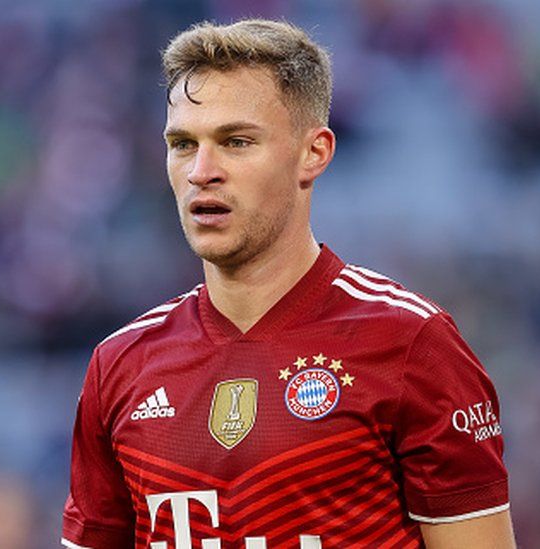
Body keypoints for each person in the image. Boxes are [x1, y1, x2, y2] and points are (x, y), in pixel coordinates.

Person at [62, 19, 514, 549]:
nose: (201, 171)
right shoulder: (121, 365)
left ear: (313, 153)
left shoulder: (412, 344)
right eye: (182, 144)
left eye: (236, 141)